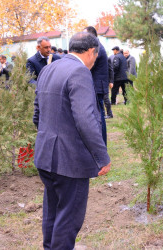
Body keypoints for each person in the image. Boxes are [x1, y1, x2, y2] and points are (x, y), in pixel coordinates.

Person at [33, 32, 111, 249]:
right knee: (69, 218)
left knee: (53, 209)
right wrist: (102, 157)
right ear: (90, 52)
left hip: (45, 156)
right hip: (70, 161)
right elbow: (85, 120)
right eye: (95, 56)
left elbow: (37, 113)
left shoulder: (49, 68)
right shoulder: (79, 72)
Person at [83, 26, 111, 143]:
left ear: (91, 36)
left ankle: (102, 143)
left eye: (85, 36)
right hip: (97, 85)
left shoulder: (97, 48)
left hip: (97, 86)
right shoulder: (96, 46)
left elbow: (87, 64)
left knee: (99, 116)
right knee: (98, 114)